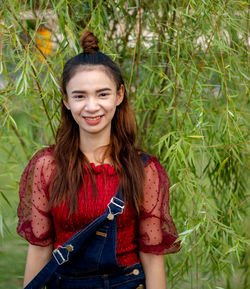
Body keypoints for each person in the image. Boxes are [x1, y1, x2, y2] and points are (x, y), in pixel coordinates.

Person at [17, 31, 180, 289]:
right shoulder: (47, 166)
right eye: (80, 96)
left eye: (102, 94)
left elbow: (151, 255)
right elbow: (39, 249)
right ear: (66, 101)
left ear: (119, 95)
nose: (92, 106)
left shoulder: (143, 169)